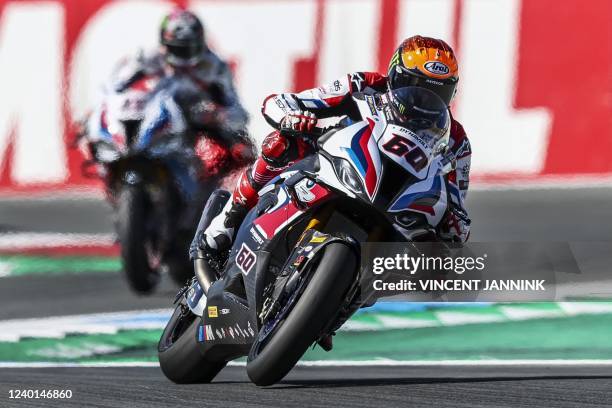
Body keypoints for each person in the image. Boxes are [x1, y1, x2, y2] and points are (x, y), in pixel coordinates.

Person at [202, 35, 472, 255]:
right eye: (415, 88)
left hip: (398, 202)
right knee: (280, 144)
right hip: (339, 162)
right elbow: (285, 102)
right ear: (395, 78)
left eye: (437, 93)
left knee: (437, 259)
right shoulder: (364, 85)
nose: (423, 103)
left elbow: (458, 208)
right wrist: (292, 117)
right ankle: (229, 217)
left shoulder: (457, 141)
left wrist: (453, 224)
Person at [77, 7, 254, 186]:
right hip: (155, 118)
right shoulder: (146, 58)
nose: (184, 55)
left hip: (196, 123)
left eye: (190, 48)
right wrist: (98, 111)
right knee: (89, 130)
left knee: (239, 153)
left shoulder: (215, 67)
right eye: (177, 48)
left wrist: (218, 115)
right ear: (164, 43)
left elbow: (238, 113)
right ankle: (115, 169)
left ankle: (217, 194)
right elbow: (113, 87)